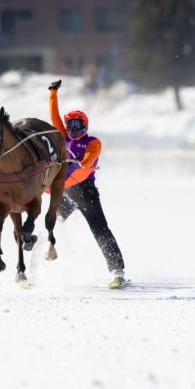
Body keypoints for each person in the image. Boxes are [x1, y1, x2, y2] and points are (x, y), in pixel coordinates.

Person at [48, 79, 127, 289]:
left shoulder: (92, 142)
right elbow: (54, 117)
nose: (73, 128)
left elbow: (91, 157)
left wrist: (83, 162)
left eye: (77, 125)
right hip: (65, 191)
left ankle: (117, 271)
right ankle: (31, 271)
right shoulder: (62, 137)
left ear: (85, 126)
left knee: (99, 229)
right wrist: (53, 93)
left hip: (86, 191)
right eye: (70, 125)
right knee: (50, 225)